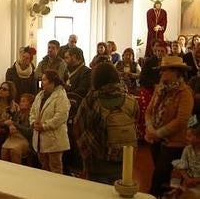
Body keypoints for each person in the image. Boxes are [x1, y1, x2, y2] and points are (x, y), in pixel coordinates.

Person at [74, 63, 138, 184]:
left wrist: (85, 153)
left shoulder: (92, 100)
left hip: (98, 161)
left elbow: (79, 127)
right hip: (124, 159)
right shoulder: (130, 100)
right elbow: (135, 122)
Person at [145, 55, 194, 197]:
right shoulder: (160, 89)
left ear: (175, 72)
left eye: (164, 70)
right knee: (161, 173)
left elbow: (181, 120)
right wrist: (150, 129)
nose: (161, 73)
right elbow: (149, 111)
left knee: (160, 176)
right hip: (155, 139)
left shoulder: (185, 93)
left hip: (174, 143)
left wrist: (157, 133)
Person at [30, 70, 71, 174]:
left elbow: (60, 116)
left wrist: (44, 126)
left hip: (54, 139)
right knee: (44, 167)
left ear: (52, 82)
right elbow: (33, 111)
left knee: (55, 167)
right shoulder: (40, 95)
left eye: (44, 80)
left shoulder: (61, 96)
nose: (42, 82)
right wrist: (33, 122)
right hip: (40, 137)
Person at [170, 118, 200, 199]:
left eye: (189, 136)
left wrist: (194, 181)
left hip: (197, 182)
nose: (186, 138)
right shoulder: (187, 149)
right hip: (188, 181)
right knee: (175, 171)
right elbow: (182, 166)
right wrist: (187, 179)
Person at [1, 93, 34, 164]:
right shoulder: (17, 114)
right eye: (21, 101)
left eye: (24, 101)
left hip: (24, 139)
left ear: (31, 104)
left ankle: (16, 172)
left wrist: (15, 124)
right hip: (13, 137)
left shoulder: (32, 116)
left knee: (14, 150)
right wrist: (9, 126)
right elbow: (9, 124)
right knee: (4, 149)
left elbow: (29, 132)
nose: (21, 103)